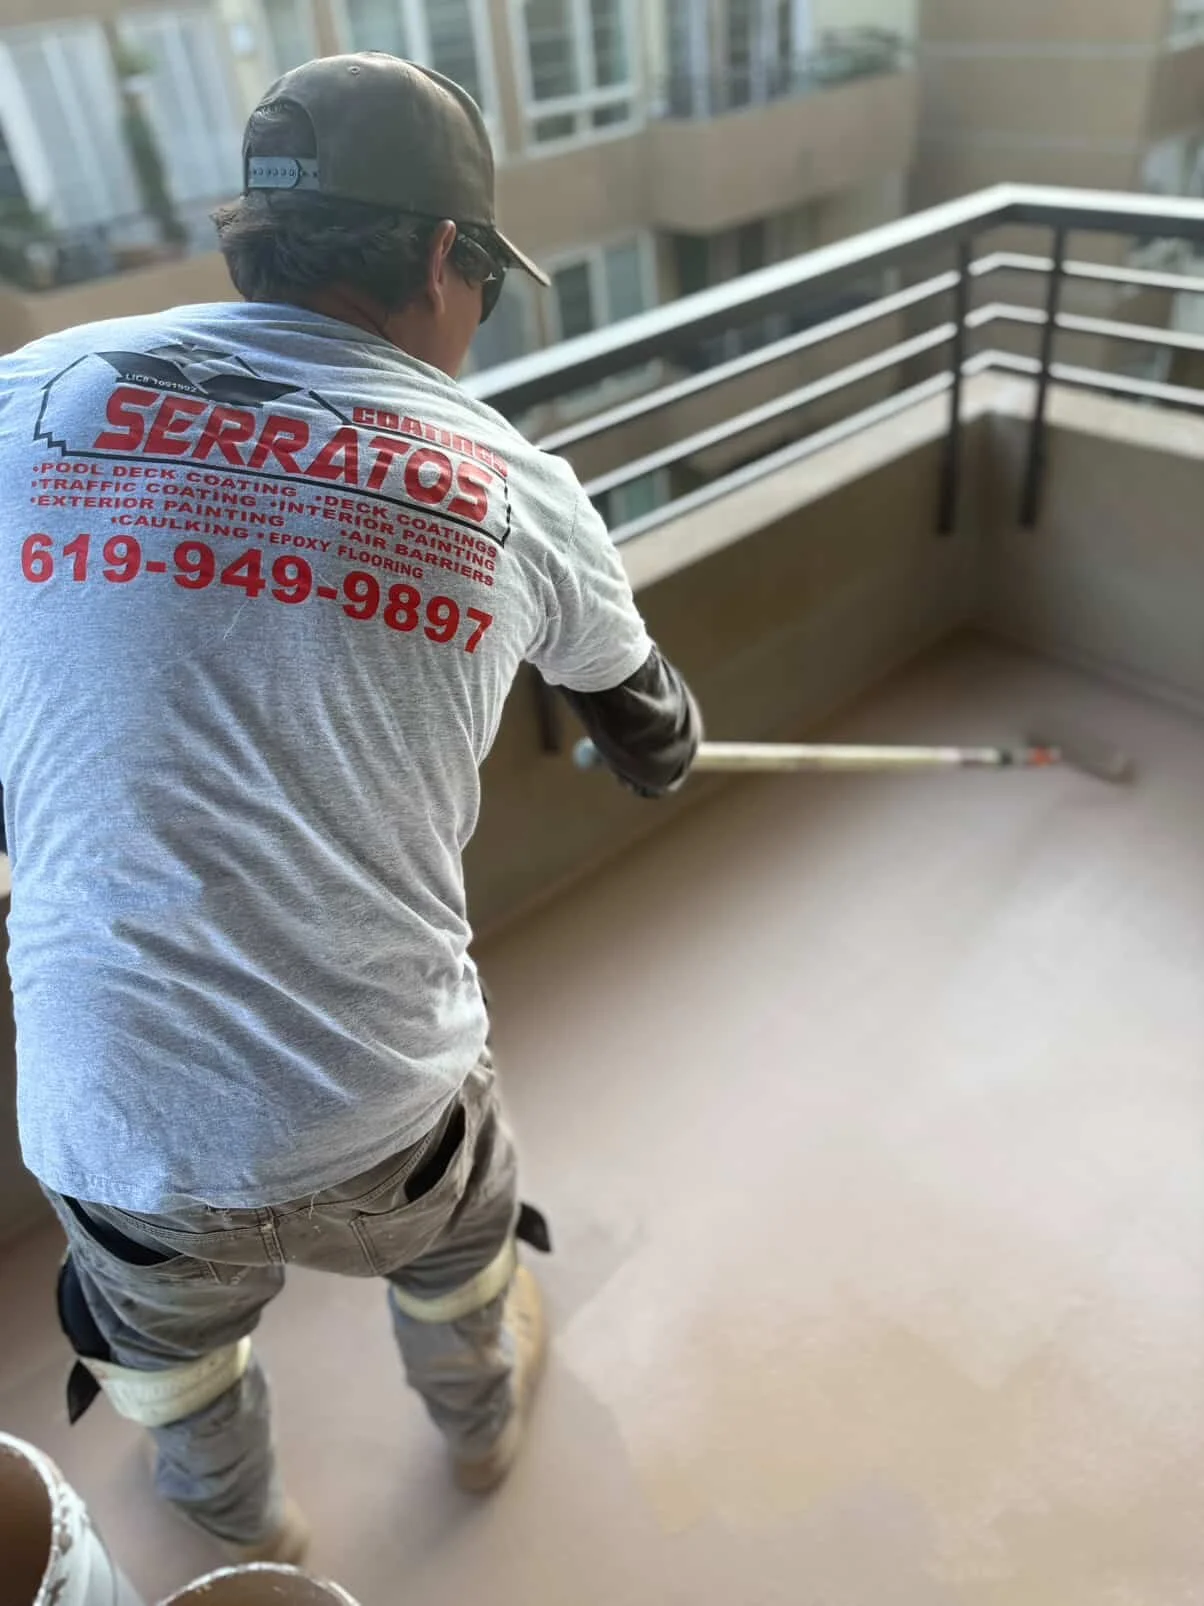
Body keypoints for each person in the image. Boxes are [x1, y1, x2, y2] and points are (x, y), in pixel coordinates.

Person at [0, 54, 699, 1563]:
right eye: (484, 284)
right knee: (461, 1253)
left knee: (168, 1353)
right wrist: (606, 722)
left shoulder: (29, 398)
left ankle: (238, 1516)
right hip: (388, 1113)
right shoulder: (518, 486)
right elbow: (660, 739)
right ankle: (480, 1417)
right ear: (447, 257)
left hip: (113, 1129)